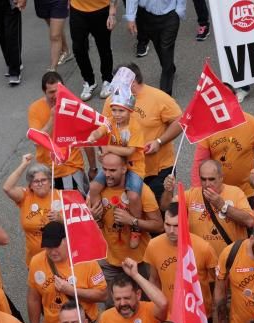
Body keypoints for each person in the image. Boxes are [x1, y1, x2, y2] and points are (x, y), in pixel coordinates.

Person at [104, 63, 183, 202]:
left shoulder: (159, 98)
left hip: (157, 171)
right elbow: (105, 127)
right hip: (127, 170)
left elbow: (180, 121)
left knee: (160, 213)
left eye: (118, 83)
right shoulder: (113, 99)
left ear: (132, 82)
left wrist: (159, 141)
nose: (115, 88)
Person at [26, 220, 108, 323]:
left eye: (56, 246)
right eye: (48, 247)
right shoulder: (36, 262)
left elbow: (103, 295)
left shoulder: (85, 260)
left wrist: (71, 290)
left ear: (67, 240)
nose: (52, 252)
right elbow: (33, 299)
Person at [88, 153, 162, 286]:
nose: (107, 174)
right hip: (108, 262)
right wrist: (92, 218)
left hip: (139, 262)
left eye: (112, 170)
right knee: (112, 305)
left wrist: (132, 221)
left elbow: (159, 226)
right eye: (104, 169)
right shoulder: (96, 191)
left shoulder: (142, 191)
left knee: (144, 303)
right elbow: (85, 228)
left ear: (124, 169)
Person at [162, 161, 254, 258]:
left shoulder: (236, 193)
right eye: (203, 179)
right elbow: (166, 207)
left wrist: (222, 205)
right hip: (200, 260)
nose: (207, 184)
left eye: (211, 179)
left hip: (230, 260)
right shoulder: (192, 194)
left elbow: (250, 221)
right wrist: (168, 191)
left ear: (221, 177)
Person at [144, 202, 217, 311]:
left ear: (186, 223)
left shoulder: (203, 248)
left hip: (200, 316)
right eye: (167, 225)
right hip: (170, 314)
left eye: (176, 226)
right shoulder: (153, 245)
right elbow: (154, 280)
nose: (171, 231)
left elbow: (216, 283)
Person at [29, 72, 93, 193]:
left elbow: (86, 140)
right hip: (47, 171)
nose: (56, 95)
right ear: (44, 92)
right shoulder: (35, 109)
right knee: (54, 209)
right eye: (51, 92)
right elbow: (35, 141)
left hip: (71, 168)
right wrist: (53, 118)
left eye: (58, 90)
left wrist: (93, 167)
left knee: (76, 208)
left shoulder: (74, 106)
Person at [194, 110, 254, 203]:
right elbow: (200, 162)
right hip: (217, 193)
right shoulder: (208, 126)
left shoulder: (253, 124)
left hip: (249, 193)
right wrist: (197, 193)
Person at [125, 0, 184, 94]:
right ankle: (169, 68)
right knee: (160, 48)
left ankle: (166, 94)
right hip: (147, 16)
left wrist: (180, 10)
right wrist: (131, 17)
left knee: (166, 49)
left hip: (170, 15)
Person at [2, 155, 52, 263]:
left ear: (50, 182)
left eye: (43, 180)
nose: (40, 184)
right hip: (35, 260)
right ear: (30, 185)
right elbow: (7, 188)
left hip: (59, 257)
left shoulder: (60, 197)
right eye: (36, 181)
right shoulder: (25, 196)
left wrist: (61, 220)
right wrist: (24, 164)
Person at [70, 0, 116, 100]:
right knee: (78, 49)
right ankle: (89, 80)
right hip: (77, 9)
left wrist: (112, 11)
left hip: (101, 9)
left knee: (104, 47)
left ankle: (107, 79)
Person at [0, 0, 24, 85]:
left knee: (11, 34)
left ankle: (14, 71)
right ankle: (11, 63)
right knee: (1, 34)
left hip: (10, 2)